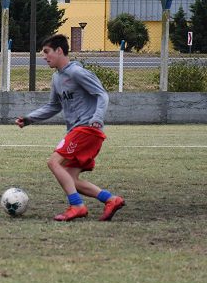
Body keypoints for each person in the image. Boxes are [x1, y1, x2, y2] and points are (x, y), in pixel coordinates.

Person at [15, 34, 125, 222]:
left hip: (87, 129)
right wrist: (29, 119)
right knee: (70, 179)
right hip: (78, 131)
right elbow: (53, 106)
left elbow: (102, 95)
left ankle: (77, 206)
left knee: (53, 163)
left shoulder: (77, 72)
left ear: (59, 51)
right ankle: (111, 200)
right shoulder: (56, 78)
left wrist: (97, 118)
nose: (44, 57)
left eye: (47, 52)